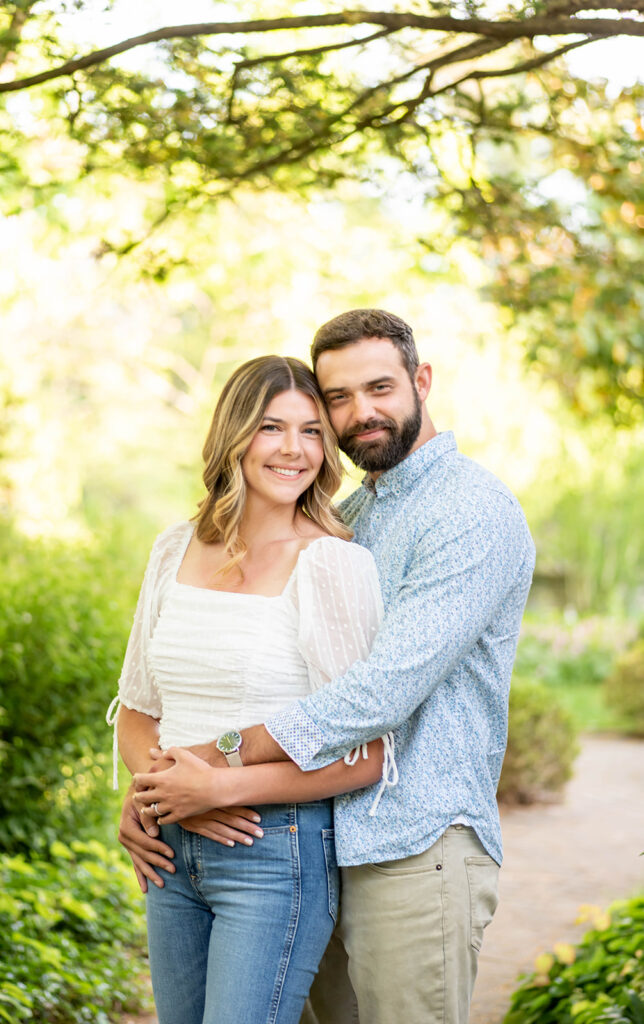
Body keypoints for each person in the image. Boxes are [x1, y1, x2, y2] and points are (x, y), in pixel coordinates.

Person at [128, 309, 536, 1024]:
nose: (359, 412)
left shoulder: (469, 509)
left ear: (422, 380)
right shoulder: (353, 512)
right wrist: (158, 791)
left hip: (416, 844)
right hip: (323, 839)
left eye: (378, 388)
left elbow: (378, 695)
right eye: (337, 398)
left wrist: (208, 765)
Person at [109, 354, 395, 1024]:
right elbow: (137, 710)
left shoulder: (334, 564)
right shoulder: (173, 549)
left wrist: (219, 791)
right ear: (235, 435)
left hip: (274, 852)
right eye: (272, 427)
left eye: (311, 431)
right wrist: (160, 791)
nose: (294, 450)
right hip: (170, 851)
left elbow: (367, 755)